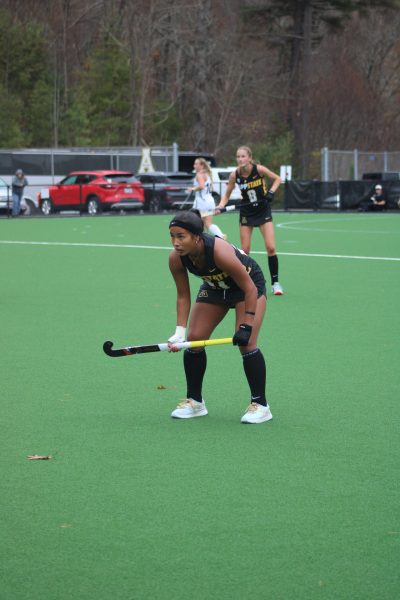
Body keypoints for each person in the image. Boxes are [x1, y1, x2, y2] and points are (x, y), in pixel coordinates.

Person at [167, 209, 272, 424]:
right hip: (216, 288)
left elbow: (250, 289)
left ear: (196, 237)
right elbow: (183, 295)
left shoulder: (218, 251)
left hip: (248, 287)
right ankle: (195, 402)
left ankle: (260, 405)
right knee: (194, 339)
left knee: (247, 342)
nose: (175, 242)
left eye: (181, 236)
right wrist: (180, 332)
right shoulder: (176, 259)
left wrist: (246, 325)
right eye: (172, 236)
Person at [217, 146, 284, 295]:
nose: (240, 159)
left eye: (243, 156)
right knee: (245, 250)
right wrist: (220, 206)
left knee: (271, 247)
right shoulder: (235, 175)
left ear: (249, 158)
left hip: (263, 210)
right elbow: (227, 194)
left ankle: (275, 283)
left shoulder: (259, 169)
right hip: (247, 212)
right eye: (238, 156)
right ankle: (245, 281)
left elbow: (278, 179)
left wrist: (271, 192)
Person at [188, 157, 227, 240]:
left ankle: (199, 239)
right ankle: (220, 235)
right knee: (207, 223)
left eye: (196, 164)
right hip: (209, 201)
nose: (194, 166)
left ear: (201, 165)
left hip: (202, 202)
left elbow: (201, 186)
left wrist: (192, 189)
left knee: (196, 221)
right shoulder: (207, 174)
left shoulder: (199, 175)